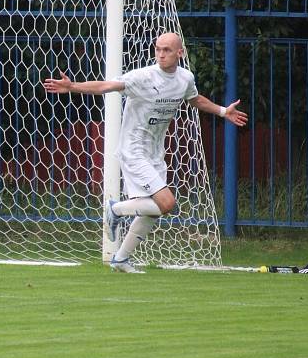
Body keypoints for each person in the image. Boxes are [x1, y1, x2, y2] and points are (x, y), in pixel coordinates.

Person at [43, 32, 248, 273]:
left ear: (180, 53)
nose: (161, 54)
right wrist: (73, 86)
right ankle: (115, 209)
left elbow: (195, 99)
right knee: (167, 203)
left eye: (167, 50)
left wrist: (224, 112)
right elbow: (108, 86)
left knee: (153, 211)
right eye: (158, 49)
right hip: (133, 149)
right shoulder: (143, 77)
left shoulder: (185, 78)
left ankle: (120, 259)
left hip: (154, 153)